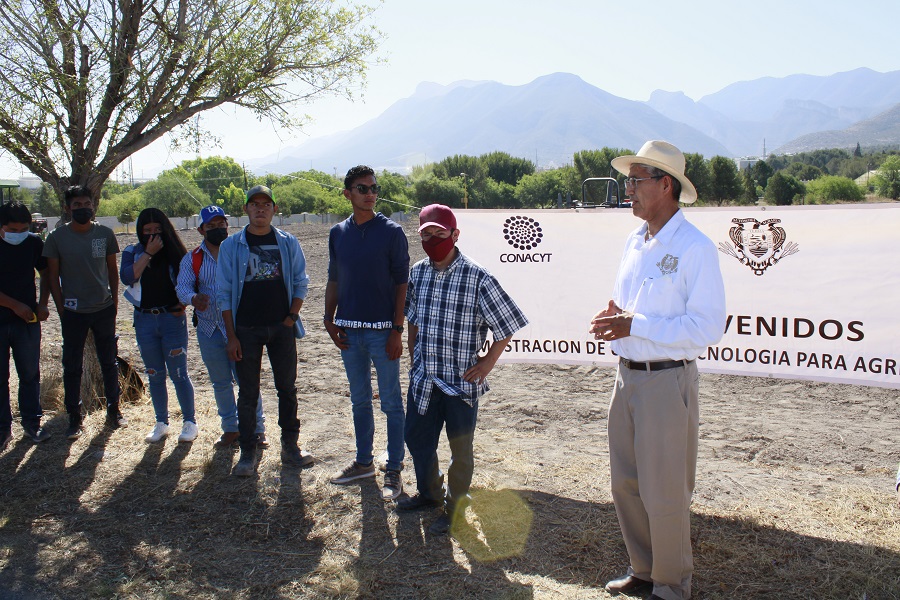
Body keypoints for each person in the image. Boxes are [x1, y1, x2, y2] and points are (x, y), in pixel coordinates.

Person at [588, 141, 726, 600]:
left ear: (665, 185)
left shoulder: (695, 248)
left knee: (665, 491)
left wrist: (634, 323)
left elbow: (706, 327)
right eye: (628, 180)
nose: (628, 189)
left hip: (668, 381)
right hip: (626, 376)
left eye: (636, 180)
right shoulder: (634, 240)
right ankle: (644, 570)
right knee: (626, 483)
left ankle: (672, 584)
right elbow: (637, 309)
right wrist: (618, 317)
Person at [398, 204, 528, 535]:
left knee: (461, 451)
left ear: (455, 235)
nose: (432, 240)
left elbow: (507, 325)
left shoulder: (479, 277)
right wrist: (414, 355)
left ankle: (456, 505)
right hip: (425, 379)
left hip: (460, 383)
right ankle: (430, 494)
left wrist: (486, 364)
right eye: (426, 234)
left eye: (439, 234)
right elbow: (412, 317)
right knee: (417, 439)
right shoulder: (418, 272)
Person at [325, 166, 410, 501]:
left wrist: (397, 329)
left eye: (374, 188)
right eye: (362, 188)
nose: (370, 193)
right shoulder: (337, 233)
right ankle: (363, 462)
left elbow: (402, 283)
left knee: (390, 402)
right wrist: (328, 319)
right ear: (347, 193)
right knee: (359, 400)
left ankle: (395, 468)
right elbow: (333, 277)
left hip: (382, 333)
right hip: (348, 333)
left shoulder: (391, 232)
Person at [217, 185, 313, 476]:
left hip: (281, 328)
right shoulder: (231, 246)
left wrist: (291, 315)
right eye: (254, 204)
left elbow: (300, 281)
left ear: (274, 209)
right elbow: (224, 293)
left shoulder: (287, 242)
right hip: (245, 330)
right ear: (245, 209)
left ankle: (290, 447)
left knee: (287, 388)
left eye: (266, 204)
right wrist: (231, 336)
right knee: (248, 393)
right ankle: (248, 452)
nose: (260, 209)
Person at [175, 205, 267, 448]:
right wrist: (193, 298)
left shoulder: (241, 251)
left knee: (248, 381)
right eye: (211, 226)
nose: (217, 229)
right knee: (220, 382)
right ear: (201, 229)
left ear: (228, 225)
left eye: (221, 224)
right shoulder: (192, 258)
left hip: (240, 328)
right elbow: (182, 287)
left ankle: (257, 429)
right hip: (209, 330)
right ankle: (231, 429)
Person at [44, 185, 126, 440]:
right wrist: (61, 308)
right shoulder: (56, 237)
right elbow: (52, 277)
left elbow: (112, 271)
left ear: (93, 206)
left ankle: (114, 410)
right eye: (76, 205)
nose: (82, 209)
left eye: (86, 204)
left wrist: (113, 303)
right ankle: (74, 418)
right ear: (68, 209)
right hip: (73, 313)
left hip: (103, 309)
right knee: (72, 365)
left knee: (109, 362)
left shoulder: (104, 234)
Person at [121, 208, 197, 444]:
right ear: (140, 232)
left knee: (179, 373)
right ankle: (161, 422)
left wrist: (183, 304)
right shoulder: (132, 251)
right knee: (154, 374)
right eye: (147, 231)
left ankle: (190, 422)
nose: (153, 235)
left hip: (171, 320)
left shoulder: (176, 253)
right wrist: (148, 253)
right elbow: (127, 277)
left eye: (157, 230)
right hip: (144, 320)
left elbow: (191, 282)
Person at [0, 202, 52, 448]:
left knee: (30, 374)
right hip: (5, 319)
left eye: (24, 228)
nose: (18, 233)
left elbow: (46, 274)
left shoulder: (33, 243)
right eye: (13, 229)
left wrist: (42, 304)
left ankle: (32, 424)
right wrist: (13, 305)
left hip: (27, 322)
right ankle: (3, 429)